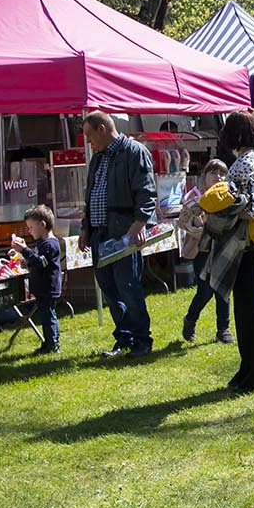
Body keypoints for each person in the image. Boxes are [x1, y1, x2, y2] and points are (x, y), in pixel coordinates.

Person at [80, 111, 157, 358]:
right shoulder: (98, 159)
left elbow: (146, 190)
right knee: (109, 287)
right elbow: (91, 194)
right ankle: (123, 337)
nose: (88, 142)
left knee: (128, 286)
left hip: (123, 231)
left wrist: (140, 222)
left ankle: (142, 340)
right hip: (99, 233)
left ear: (102, 129)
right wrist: (85, 227)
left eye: (89, 135)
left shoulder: (134, 152)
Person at [217, 112, 254, 393]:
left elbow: (250, 205)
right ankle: (248, 369)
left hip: (246, 243)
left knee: (251, 310)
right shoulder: (251, 159)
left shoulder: (247, 162)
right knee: (245, 309)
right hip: (245, 243)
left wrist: (222, 206)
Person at [180, 159, 234, 343]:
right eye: (213, 173)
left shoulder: (228, 198)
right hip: (201, 251)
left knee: (222, 289)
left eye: (222, 174)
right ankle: (190, 319)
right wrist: (203, 227)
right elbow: (186, 223)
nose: (218, 177)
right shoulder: (195, 198)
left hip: (222, 250)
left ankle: (223, 329)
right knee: (205, 291)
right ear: (204, 177)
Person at [15, 204, 62, 354]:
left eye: (30, 227)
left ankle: (52, 344)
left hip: (48, 287)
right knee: (46, 315)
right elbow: (37, 261)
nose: (29, 231)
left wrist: (24, 250)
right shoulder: (43, 243)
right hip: (43, 287)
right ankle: (49, 341)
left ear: (42, 224)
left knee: (48, 316)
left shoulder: (50, 244)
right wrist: (26, 260)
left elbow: (41, 262)